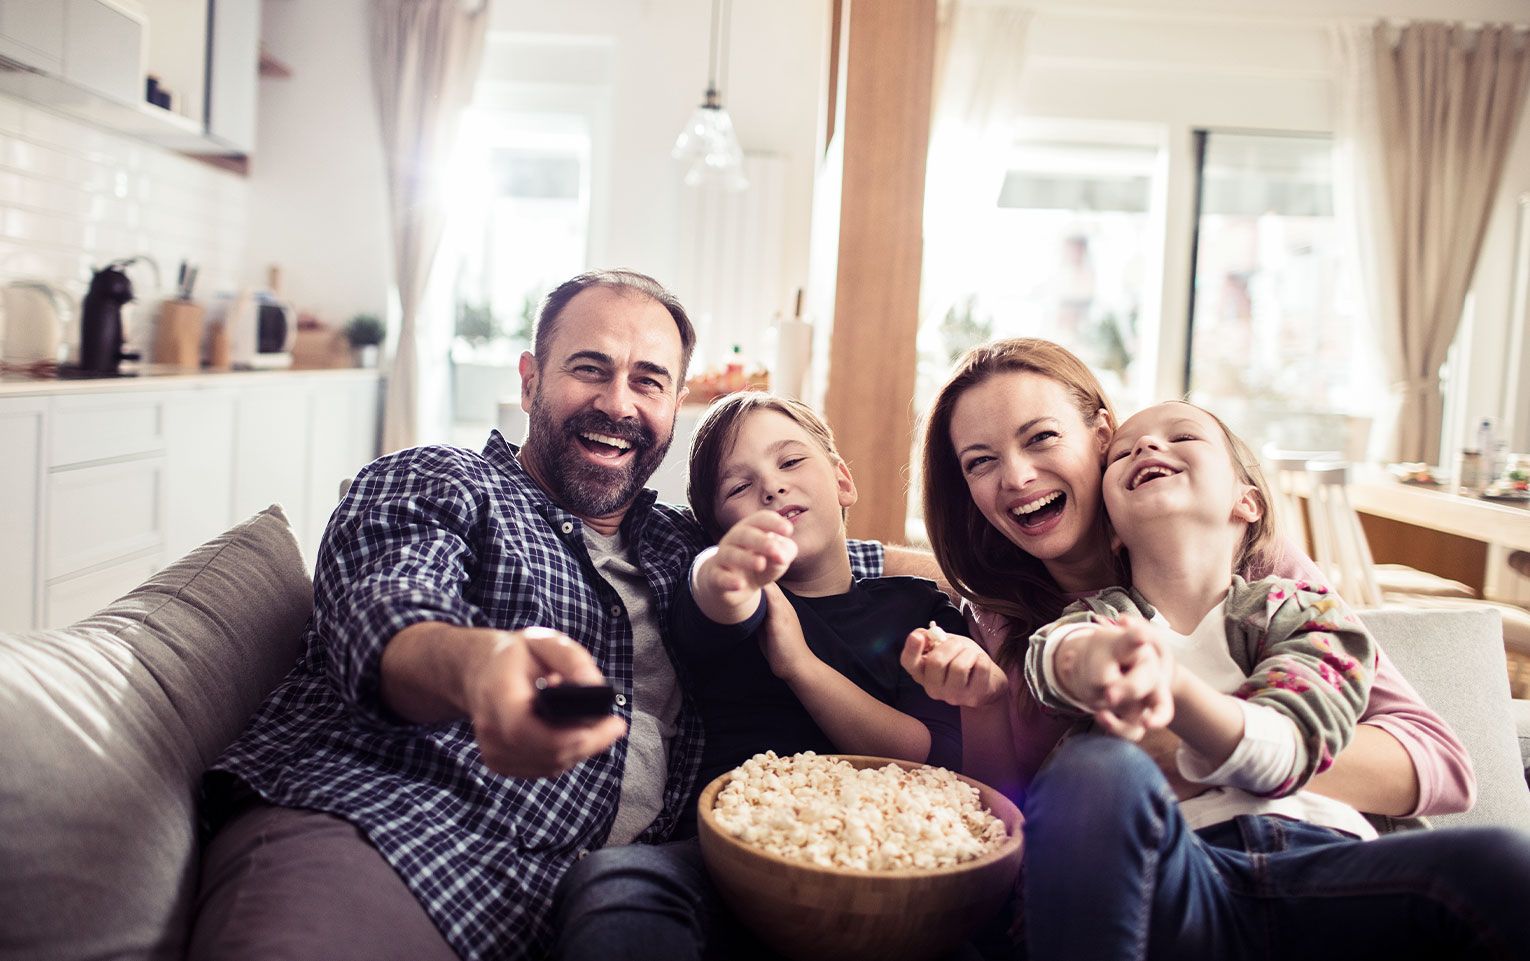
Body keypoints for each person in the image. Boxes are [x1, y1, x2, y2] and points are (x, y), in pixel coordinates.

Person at [187, 269, 929, 961]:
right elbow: (389, 608)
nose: (618, 403)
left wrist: (992, 593)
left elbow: (832, 552)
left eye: (649, 381)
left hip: (584, 902)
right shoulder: (441, 479)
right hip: (387, 835)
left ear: (674, 407)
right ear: (531, 378)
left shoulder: (685, 545)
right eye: (590, 368)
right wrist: (483, 670)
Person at [1009, 399, 1530, 959]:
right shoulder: (1100, 619)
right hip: (1183, 877)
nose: (1147, 447)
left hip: (1329, 873)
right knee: (1095, 769)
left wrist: (1179, 695)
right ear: (1112, 531)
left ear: (1247, 501)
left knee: (1502, 861)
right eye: (1124, 453)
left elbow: (1287, 745)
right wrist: (1084, 660)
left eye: (1182, 436)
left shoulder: (1306, 614)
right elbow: (1052, 660)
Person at [675, 391, 963, 810]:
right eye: (739, 487)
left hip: (881, 841)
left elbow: (933, 757)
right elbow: (714, 591)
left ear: (842, 482)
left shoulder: (919, 609)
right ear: (721, 532)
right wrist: (726, 566)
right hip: (732, 839)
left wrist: (800, 666)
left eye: (790, 462)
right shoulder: (748, 601)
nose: (772, 486)